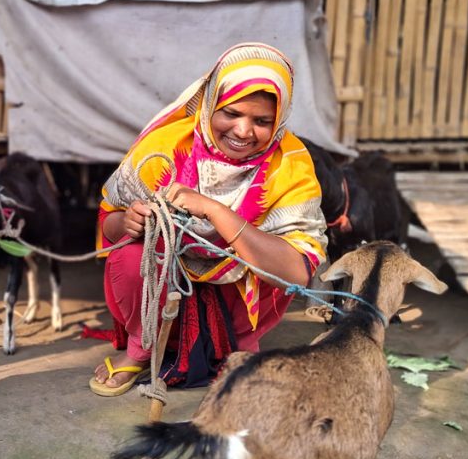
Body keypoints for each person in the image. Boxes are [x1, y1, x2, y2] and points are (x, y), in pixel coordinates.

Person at [90, 42, 328, 396]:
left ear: (279, 120)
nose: (244, 131)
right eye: (231, 113)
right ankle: (143, 348)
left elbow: (296, 272)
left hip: (238, 295)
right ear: (209, 102)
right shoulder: (164, 146)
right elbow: (109, 226)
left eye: (262, 121)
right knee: (129, 255)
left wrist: (215, 211)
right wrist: (128, 221)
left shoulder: (291, 163)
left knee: (271, 265)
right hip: (164, 282)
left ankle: (241, 347)